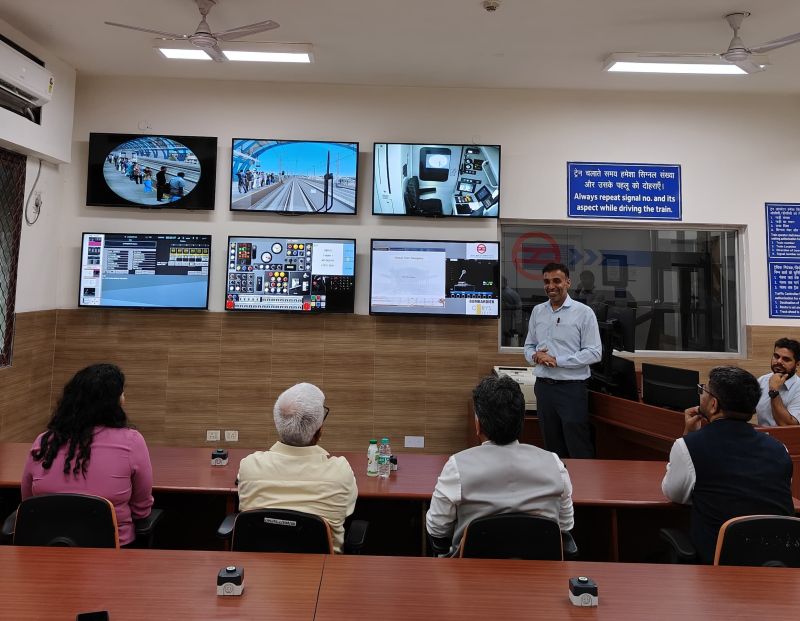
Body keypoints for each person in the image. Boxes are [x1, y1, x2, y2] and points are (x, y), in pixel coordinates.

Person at [426, 375, 574, 556]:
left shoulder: (456, 467)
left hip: (471, 572)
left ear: (478, 425)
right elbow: (565, 526)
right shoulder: (555, 465)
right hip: (541, 572)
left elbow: (437, 530)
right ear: (522, 421)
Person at [661, 366, 794, 564]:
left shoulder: (689, 446)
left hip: (719, 569)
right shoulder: (779, 448)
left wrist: (689, 437)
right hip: (779, 566)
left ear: (713, 404)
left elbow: (675, 494)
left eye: (704, 390)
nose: (701, 395)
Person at [20, 363, 153, 546]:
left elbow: (28, 503)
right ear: (114, 403)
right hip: (113, 553)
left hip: (47, 551)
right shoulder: (133, 442)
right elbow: (141, 509)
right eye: (122, 394)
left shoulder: (44, 442)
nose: (124, 398)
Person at [237, 383, 357, 553]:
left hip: (259, 566)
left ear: (278, 424)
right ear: (319, 431)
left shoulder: (249, 466)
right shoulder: (341, 471)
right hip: (323, 567)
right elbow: (347, 509)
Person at [524, 262, 601, 458]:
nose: (551, 286)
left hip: (571, 389)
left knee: (578, 447)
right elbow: (528, 346)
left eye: (556, 281)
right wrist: (535, 356)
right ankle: (558, 479)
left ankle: (584, 480)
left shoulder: (584, 313)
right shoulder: (538, 311)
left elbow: (594, 352)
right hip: (544, 388)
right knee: (552, 448)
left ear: (568, 282)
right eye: (546, 282)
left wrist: (557, 360)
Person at [755, 337, 800, 426]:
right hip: (762, 434)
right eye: (776, 356)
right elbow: (746, 410)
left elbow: (788, 426)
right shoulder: (762, 380)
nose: (779, 361)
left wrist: (774, 390)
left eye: (786, 359)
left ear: (797, 364)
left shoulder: (798, 388)